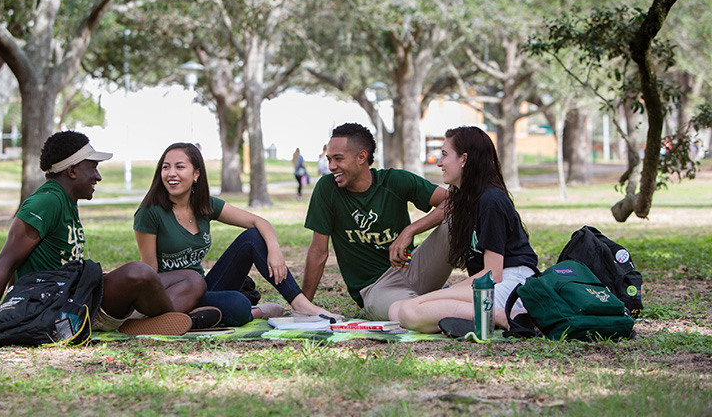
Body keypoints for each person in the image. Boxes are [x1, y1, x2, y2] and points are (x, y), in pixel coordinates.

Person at [0, 131, 203, 339]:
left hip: (81, 291)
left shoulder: (66, 200)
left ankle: (148, 322)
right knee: (139, 272)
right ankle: (166, 320)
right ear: (72, 171)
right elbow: (6, 263)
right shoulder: (45, 202)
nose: (98, 176)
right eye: (92, 167)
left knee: (193, 279)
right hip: (60, 304)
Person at [134, 142, 341, 327]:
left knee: (252, 238)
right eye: (165, 167)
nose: (171, 173)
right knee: (238, 304)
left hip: (203, 288)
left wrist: (274, 249)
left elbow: (258, 222)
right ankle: (247, 313)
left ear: (196, 173)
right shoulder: (149, 213)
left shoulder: (205, 205)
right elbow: (150, 275)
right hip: (172, 295)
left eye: (180, 167)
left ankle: (301, 305)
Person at [388, 126, 538, 334]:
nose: (439, 163)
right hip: (487, 284)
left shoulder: (491, 200)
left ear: (464, 159)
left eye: (444, 155)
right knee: (396, 310)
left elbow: (493, 274)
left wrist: (432, 298)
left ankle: (506, 316)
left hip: (511, 281)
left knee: (410, 310)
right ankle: (475, 316)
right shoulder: (466, 200)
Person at [302, 123, 454, 321]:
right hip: (376, 288)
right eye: (329, 159)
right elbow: (318, 252)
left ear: (361, 157)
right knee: (407, 314)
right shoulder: (327, 189)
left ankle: (488, 286)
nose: (331, 167)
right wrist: (303, 305)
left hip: (411, 266)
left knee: (459, 218)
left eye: (338, 159)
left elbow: (453, 202)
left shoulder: (394, 181)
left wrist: (410, 230)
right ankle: (454, 306)